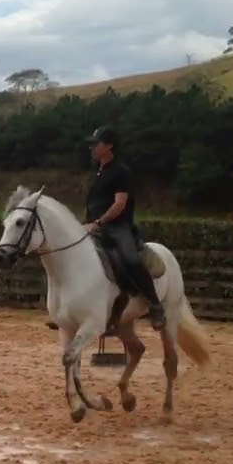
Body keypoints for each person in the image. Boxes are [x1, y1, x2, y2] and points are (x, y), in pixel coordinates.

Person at [83, 125, 165, 330]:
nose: (92, 148)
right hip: (94, 226)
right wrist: (86, 223)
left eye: (96, 144)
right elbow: (93, 202)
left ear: (109, 146)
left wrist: (99, 222)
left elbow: (119, 204)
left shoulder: (121, 172)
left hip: (118, 226)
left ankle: (155, 305)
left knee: (130, 259)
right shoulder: (97, 171)